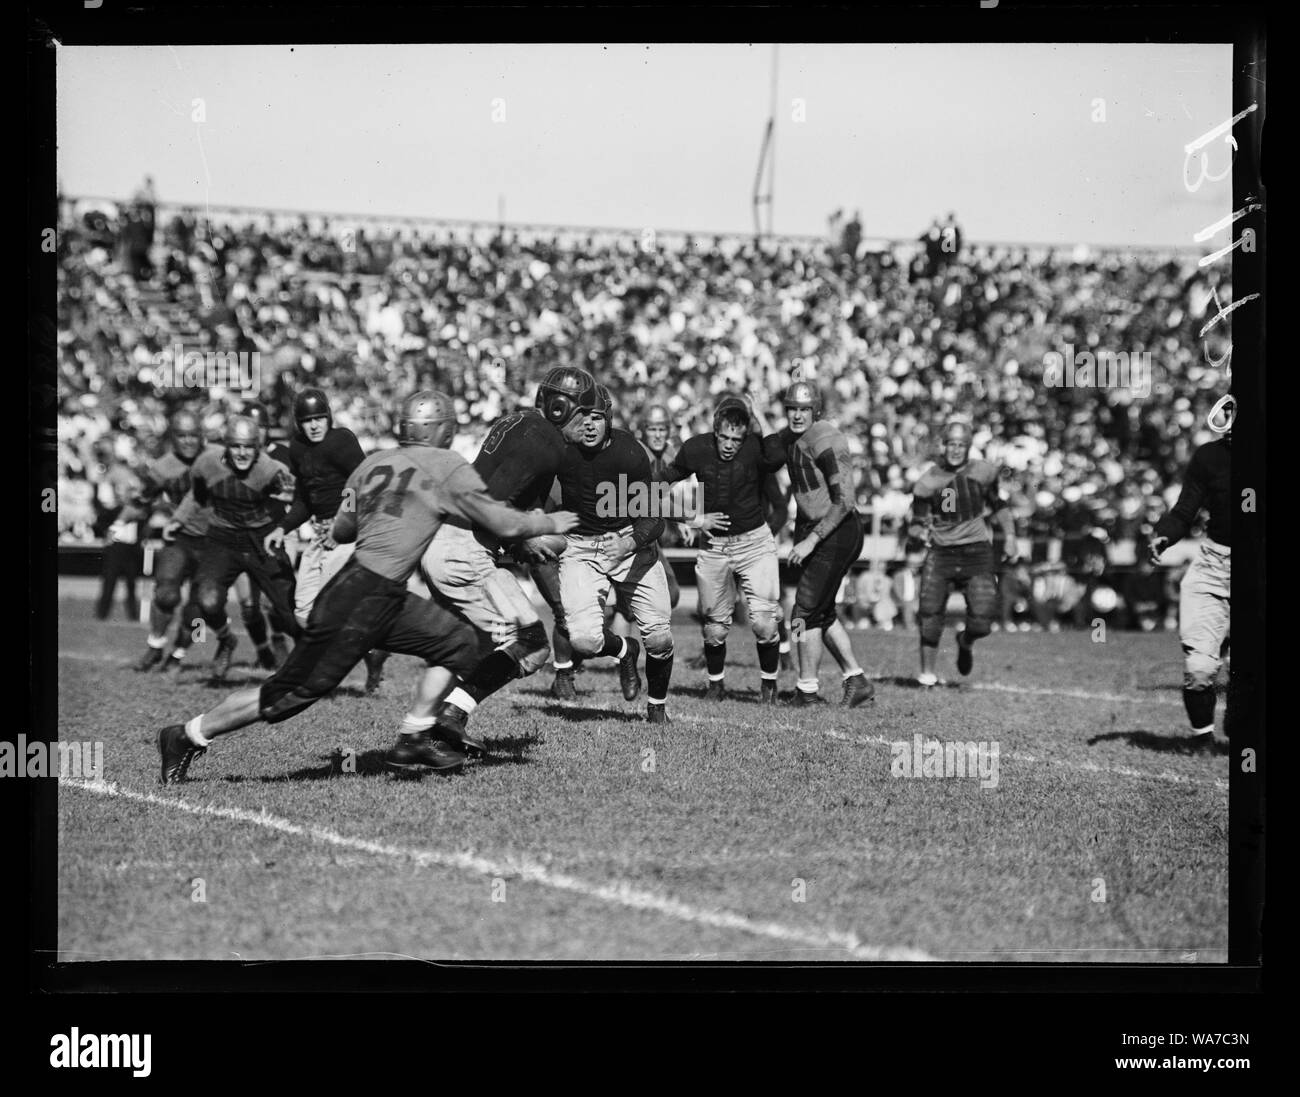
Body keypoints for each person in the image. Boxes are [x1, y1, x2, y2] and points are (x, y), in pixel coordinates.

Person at [154, 390, 578, 783]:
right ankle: (188, 734)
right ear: (442, 429)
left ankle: (414, 737)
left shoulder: (371, 463)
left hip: (377, 589)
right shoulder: (446, 466)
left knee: (462, 644)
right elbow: (501, 521)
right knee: (290, 694)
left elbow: (342, 528)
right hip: (362, 597)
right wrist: (548, 523)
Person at [416, 367, 600, 745]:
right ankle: (446, 719)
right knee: (531, 646)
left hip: (450, 541)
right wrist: (526, 541)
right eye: (582, 414)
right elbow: (489, 506)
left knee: (474, 648)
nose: (587, 424)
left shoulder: (520, 423)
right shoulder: (546, 442)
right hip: (464, 548)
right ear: (560, 409)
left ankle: (429, 730)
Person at [554, 383, 675, 722]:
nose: (589, 425)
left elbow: (654, 517)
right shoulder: (562, 449)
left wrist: (628, 543)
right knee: (583, 640)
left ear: (607, 419)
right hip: (580, 545)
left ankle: (656, 708)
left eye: (596, 417)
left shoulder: (630, 453)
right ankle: (625, 649)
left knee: (660, 636)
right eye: (581, 417)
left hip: (627, 539)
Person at [660, 394, 786, 703]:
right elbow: (654, 486)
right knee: (714, 626)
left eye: (736, 439)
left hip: (754, 543)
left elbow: (778, 456)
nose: (729, 444)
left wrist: (759, 416)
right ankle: (716, 684)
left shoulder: (754, 446)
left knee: (764, 621)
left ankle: (769, 685)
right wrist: (693, 517)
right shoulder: (696, 448)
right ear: (715, 431)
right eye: (724, 437)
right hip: (714, 546)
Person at [167, 416, 301, 682]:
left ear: (258, 447)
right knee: (206, 599)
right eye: (236, 446)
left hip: (261, 540)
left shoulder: (272, 471)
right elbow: (197, 495)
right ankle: (226, 640)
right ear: (226, 445)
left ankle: (309, 666)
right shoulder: (206, 463)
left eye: (248, 446)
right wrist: (178, 519)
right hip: (223, 540)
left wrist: (282, 526)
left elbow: (297, 502)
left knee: (289, 613)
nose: (242, 453)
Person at [770, 380, 874, 707]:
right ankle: (856, 680)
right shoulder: (790, 436)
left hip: (838, 529)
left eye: (803, 409)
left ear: (815, 409)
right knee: (820, 610)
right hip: (819, 531)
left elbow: (844, 502)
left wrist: (810, 541)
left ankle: (807, 690)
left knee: (803, 612)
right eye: (792, 409)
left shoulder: (827, 438)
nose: (797, 415)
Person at [906, 417, 1019, 686]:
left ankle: (965, 641)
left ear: (968, 446)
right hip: (941, 552)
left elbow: (999, 505)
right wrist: (917, 534)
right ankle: (926, 676)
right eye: (950, 444)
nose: (955, 449)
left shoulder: (985, 472)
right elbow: (917, 522)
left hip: (976, 551)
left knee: (982, 620)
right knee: (930, 614)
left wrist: (1011, 536)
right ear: (942, 446)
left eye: (961, 444)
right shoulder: (927, 480)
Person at [1148, 401, 1232, 743]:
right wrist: (1164, 533)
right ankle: (1201, 742)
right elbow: (1186, 508)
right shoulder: (1209, 456)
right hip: (1215, 562)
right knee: (1199, 668)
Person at [124, 410, 209, 673]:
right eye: (182, 435)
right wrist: (123, 519)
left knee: (202, 603)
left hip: (215, 541)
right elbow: (142, 499)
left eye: (193, 435)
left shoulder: (217, 456)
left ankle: (179, 653)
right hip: (179, 537)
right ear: (173, 437)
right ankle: (155, 645)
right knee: (166, 592)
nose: (188, 441)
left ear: (202, 436)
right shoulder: (162, 467)